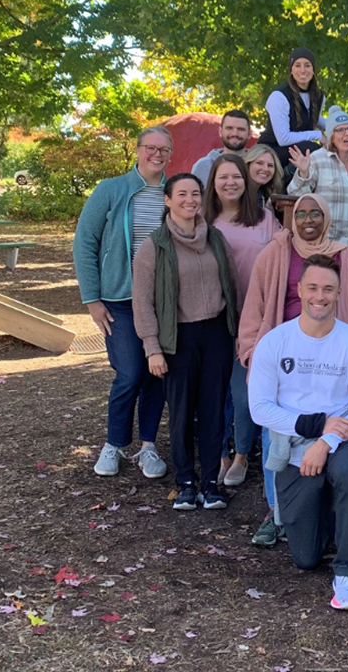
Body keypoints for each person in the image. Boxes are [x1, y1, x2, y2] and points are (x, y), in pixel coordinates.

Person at [238, 194, 348, 548]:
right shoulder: (275, 252)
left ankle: (337, 506)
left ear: (326, 219)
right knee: (275, 429)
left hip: (332, 350)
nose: (309, 219)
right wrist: (252, 347)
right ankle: (276, 510)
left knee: (340, 441)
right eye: (302, 213)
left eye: (316, 213)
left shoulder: (342, 256)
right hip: (282, 352)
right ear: (292, 218)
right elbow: (256, 303)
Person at [248, 254, 348, 610]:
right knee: (306, 557)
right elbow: (259, 408)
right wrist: (315, 426)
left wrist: (327, 440)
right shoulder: (274, 342)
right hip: (292, 439)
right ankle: (339, 513)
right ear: (300, 289)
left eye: (329, 289)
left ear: (338, 294)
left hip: (342, 438)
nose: (320, 296)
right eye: (313, 287)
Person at [131, 173, 241, 511]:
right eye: (182, 194)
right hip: (177, 337)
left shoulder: (216, 239)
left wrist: (237, 331)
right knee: (180, 413)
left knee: (212, 411)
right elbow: (143, 300)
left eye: (195, 194)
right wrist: (152, 347)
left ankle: (210, 483)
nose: (189, 200)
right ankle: (186, 483)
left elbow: (232, 287)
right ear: (167, 200)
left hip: (217, 335)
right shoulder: (155, 245)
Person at [73, 125, 171, 480]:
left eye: (164, 150)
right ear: (138, 149)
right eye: (151, 148)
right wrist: (92, 299)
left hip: (163, 302)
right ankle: (114, 444)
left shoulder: (173, 192)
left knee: (155, 374)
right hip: (119, 299)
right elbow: (84, 242)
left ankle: (147, 446)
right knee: (129, 372)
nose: (157, 155)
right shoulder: (111, 190)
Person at [203, 155, 281, 487]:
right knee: (214, 391)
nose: (230, 182)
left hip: (254, 317)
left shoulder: (264, 219)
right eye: (223, 177)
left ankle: (242, 454)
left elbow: (282, 258)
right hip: (213, 317)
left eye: (236, 176)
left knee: (243, 391)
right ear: (213, 182)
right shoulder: (202, 220)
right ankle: (219, 453)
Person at [288, 106, 348, 250]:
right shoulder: (316, 159)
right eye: (340, 130)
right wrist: (304, 174)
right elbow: (296, 197)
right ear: (331, 136)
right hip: (323, 245)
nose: (347, 133)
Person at [256, 47, 326, 168]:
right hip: (271, 151)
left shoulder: (318, 96)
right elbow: (283, 138)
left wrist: (342, 128)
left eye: (307, 65)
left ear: (313, 69)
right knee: (314, 151)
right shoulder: (279, 96)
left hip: (298, 148)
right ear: (291, 70)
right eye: (297, 65)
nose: (302, 70)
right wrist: (318, 135)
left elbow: (315, 118)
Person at [191, 110, 251, 185]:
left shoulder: (258, 166)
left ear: (249, 134)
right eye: (229, 128)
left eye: (241, 129)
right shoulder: (203, 166)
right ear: (220, 131)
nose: (235, 133)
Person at [244, 143, 285, 207]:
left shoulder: (269, 196)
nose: (266, 169)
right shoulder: (236, 193)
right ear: (248, 165)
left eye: (270, 165)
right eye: (259, 163)